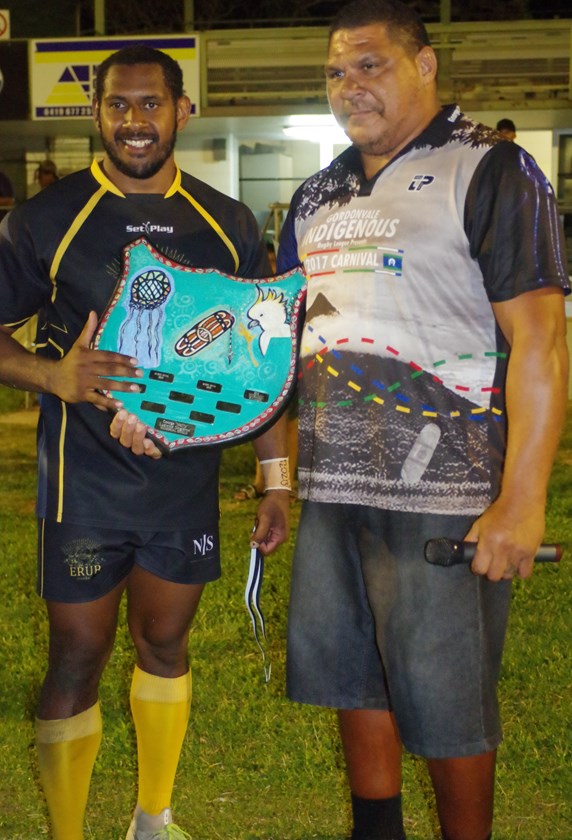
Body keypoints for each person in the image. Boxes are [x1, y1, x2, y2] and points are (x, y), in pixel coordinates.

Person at [277, 2, 569, 839]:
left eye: (370, 65)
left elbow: (542, 343)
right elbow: (280, 343)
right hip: (336, 484)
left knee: (447, 696)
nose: (349, 86)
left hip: (447, 487)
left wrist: (521, 499)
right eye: (336, 71)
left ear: (425, 64)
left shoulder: (489, 168)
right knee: (353, 677)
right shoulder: (317, 191)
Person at [0, 45, 290, 840]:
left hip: (183, 484)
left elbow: (261, 365)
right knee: (77, 658)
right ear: (96, 112)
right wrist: (54, 376)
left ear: (182, 111)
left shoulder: (227, 224)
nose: (134, 122)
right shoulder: (46, 220)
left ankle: (153, 819)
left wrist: (276, 478)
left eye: (150, 105)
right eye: (118, 106)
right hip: (84, 486)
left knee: (165, 642)